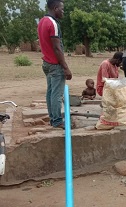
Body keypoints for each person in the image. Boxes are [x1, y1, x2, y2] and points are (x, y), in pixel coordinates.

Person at [37, 0, 72, 129]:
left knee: (50, 92)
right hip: (55, 64)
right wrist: (65, 68)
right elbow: (57, 48)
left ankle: (53, 119)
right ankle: (57, 121)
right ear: (55, 8)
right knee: (57, 94)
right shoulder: (53, 23)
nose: (63, 11)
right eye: (62, 9)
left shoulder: (42, 21)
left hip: (46, 63)